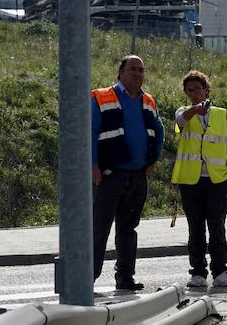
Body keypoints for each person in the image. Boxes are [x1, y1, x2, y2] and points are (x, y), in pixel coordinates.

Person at [91, 54, 166, 292]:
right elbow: (90, 133)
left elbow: (159, 130)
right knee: (98, 228)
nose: (137, 73)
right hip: (108, 176)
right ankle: (87, 278)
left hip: (136, 176)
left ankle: (125, 277)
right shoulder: (101, 97)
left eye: (141, 69)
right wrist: (92, 165)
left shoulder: (148, 101)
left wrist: (153, 159)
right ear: (120, 72)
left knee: (128, 229)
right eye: (133, 69)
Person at [172, 70, 227, 290]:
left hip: (217, 179)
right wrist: (194, 110)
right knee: (195, 228)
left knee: (217, 226)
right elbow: (181, 121)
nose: (194, 93)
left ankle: (221, 271)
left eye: (197, 89)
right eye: (189, 90)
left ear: (206, 89)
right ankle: (198, 273)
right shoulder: (184, 112)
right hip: (191, 180)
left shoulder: (221, 114)